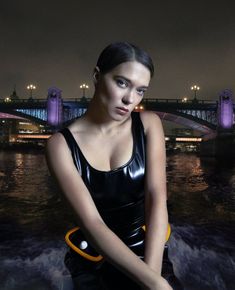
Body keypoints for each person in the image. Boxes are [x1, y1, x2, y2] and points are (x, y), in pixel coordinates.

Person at [46, 42, 182, 290]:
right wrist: (153, 284)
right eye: (122, 83)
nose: (130, 98)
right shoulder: (60, 145)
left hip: (148, 250)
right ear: (97, 76)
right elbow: (92, 223)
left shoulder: (149, 124)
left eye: (140, 90)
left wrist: (151, 277)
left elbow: (156, 198)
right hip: (94, 258)